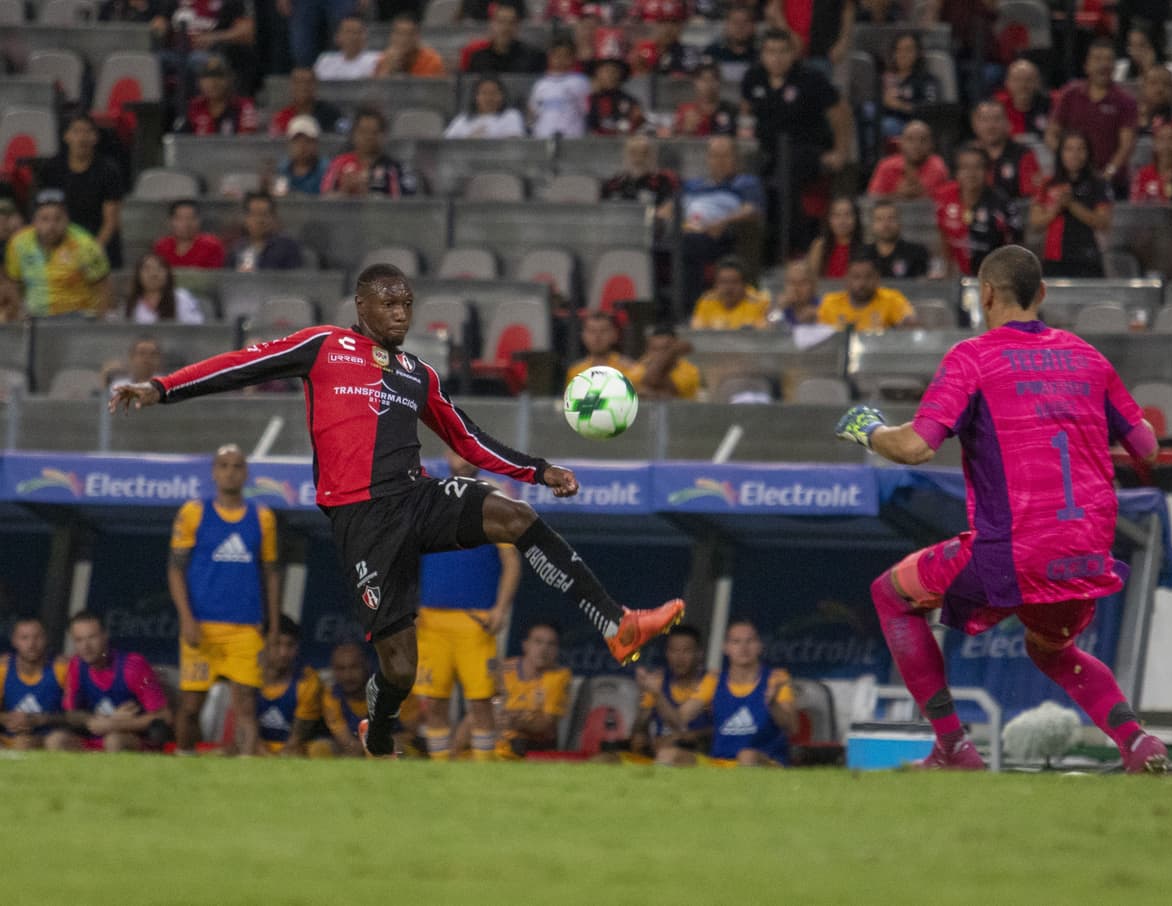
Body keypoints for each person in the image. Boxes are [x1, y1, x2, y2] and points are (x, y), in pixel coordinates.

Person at [108, 262, 686, 757]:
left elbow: (468, 442)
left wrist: (538, 470)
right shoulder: (324, 346)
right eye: (388, 303)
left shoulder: (417, 374)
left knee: (517, 518)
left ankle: (617, 622)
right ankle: (379, 727)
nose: (400, 313)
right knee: (401, 669)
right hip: (362, 521)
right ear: (359, 305)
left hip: (418, 496)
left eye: (407, 304)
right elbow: (240, 364)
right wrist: (161, 387)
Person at [832, 244, 1169, 774]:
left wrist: (866, 430)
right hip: (1086, 554)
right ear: (1042, 294)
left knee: (892, 595)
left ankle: (952, 747)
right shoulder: (1089, 357)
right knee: (1052, 650)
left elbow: (917, 446)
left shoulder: (974, 358)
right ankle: (1137, 741)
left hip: (1013, 550)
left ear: (985, 294)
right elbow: (1148, 448)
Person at [168, 443, 281, 755]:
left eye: (237, 466)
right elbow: (175, 571)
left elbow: (271, 573)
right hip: (202, 627)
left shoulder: (262, 517)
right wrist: (187, 619)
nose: (231, 472)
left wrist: (272, 629)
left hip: (246, 628)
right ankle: (183, 759)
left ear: (246, 473)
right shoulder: (193, 512)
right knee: (191, 705)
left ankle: (245, 771)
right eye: (224, 466)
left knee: (246, 702)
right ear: (214, 473)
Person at [412, 450, 521, 761]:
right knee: (433, 701)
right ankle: (439, 768)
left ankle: (483, 768)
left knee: (481, 701)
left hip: (476, 621)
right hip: (431, 621)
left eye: (467, 451)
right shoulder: (428, 497)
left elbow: (510, 560)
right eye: (455, 451)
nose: (463, 458)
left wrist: (501, 608)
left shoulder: (492, 499)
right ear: (445, 454)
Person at [740, 28, 853, 251]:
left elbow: (841, 112)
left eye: (783, 52)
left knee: (786, 173)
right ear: (762, 54)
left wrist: (840, 151)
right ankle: (762, 246)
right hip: (765, 150)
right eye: (771, 52)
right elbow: (746, 113)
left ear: (793, 54)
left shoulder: (810, 79)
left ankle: (795, 246)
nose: (777, 58)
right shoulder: (753, 77)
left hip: (808, 149)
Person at [663, 619, 797, 767]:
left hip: (767, 761)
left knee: (746, 756)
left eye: (750, 641)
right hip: (721, 763)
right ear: (725, 648)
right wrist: (657, 695)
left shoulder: (776, 678)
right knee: (667, 755)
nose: (743, 648)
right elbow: (679, 720)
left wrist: (773, 705)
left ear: (759, 646)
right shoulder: (714, 680)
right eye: (736, 642)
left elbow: (792, 727)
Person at [454, 621, 571, 759]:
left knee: (507, 739)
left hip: (531, 742)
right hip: (497, 731)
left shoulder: (559, 676)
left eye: (551, 644)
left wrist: (519, 721)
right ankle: (452, 757)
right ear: (526, 645)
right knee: (474, 717)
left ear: (557, 650)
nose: (543, 649)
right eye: (538, 642)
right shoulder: (504, 669)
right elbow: (488, 704)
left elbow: (546, 723)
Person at [62, 611, 172, 752]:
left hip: (135, 739)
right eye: (79, 640)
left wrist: (115, 725)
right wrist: (106, 719)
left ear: (105, 636)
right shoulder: (76, 665)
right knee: (58, 740)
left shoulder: (133, 666)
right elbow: (70, 715)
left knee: (114, 740)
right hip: (95, 736)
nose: (86, 646)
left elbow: (164, 716)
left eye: (92, 638)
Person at [679, 136, 765, 309]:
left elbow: (752, 210)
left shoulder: (745, 183)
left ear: (735, 159)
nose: (719, 161)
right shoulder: (693, 185)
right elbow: (671, 206)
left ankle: (691, 307)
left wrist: (722, 222)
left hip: (721, 236)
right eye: (714, 156)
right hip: (685, 231)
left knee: (688, 245)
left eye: (724, 156)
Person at [1045, 39, 1138, 198]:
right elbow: (1051, 134)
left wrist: (1107, 175)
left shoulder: (1125, 101)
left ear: (1114, 66)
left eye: (1108, 59)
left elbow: (1127, 145)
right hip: (1070, 181)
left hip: (1111, 183)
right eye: (1097, 59)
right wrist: (1070, 160)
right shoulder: (1069, 94)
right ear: (1086, 65)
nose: (1103, 64)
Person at [1, 189, 111, 321]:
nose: (51, 226)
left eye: (58, 219)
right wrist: (17, 313)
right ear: (34, 221)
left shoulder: (86, 245)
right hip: (35, 317)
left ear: (67, 219)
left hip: (78, 318)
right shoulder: (18, 244)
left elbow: (103, 288)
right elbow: (13, 283)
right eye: (44, 219)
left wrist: (99, 323)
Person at [37, 113, 125, 268]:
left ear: (95, 137)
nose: (82, 137)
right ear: (66, 136)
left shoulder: (108, 170)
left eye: (87, 132)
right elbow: (43, 212)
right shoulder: (51, 169)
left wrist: (92, 251)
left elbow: (111, 221)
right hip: (60, 239)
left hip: (98, 241)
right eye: (76, 131)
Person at [1030, 131, 1113, 278]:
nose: (1074, 154)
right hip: (1054, 259)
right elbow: (1035, 223)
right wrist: (1055, 209)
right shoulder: (1047, 184)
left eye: (1080, 149)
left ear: (1088, 153)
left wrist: (1071, 205)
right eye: (1069, 149)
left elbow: (1103, 222)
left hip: (1088, 258)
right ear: (1060, 153)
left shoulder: (1098, 184)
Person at [935, 144, 1022, 277]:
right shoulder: (944, 197)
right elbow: (943, 237)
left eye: (978, 167)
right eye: (965, 167)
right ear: (956, 172)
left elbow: (1016, 246)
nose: (971, 173)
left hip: (995, 277)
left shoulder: (1002, 203)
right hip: (958, 277)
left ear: (987, 171)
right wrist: (945, 271)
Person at [631, 625, 713, 759]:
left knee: (668, 754)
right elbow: (639, 725)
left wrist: (687, 736)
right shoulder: (658, 680)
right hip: (657, 753)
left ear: (699, 654)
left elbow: (719, 730)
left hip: (696, 756)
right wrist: (643, 695)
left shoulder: (709, 681)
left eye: (686, 651)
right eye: (674, 651)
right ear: (667, 653)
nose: (679, 658)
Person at [0, 618, 76, 751]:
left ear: (46, 639)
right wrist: (8, 718)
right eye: (24, 638)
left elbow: (75, 715)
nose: (31, 644)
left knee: (52, 741)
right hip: (10, 737)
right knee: (21, 742)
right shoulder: (3, 669)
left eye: (37, 637)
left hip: (48, 737)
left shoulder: (62, 668)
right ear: (14, 641)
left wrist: (39, 719)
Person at [256, 615, 325, 756]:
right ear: (263, 644)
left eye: (290, 645)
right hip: (256, 748)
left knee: (316, 749)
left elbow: (296, 739)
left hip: (292, 752)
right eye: (277, 645)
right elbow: (245, 730)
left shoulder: (308, 682)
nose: (283, 653)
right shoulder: (247, 677)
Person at [321, 108, 417, 198]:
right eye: (363, 132)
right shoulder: (338, 163)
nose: (368, 137)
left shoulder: (394, 168)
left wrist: (367, 195)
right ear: (354, 134)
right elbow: (324, 198)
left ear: (383, 135)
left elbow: (402, 204)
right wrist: (345, 192)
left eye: (374, 132)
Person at [817, 252, 916, 330]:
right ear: (846, 279)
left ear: (877, 278)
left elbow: (909, 323)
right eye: (856, 277)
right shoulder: (830, 302)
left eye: (868, 277)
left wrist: (908, 323)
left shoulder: (892, 299)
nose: (862, 283)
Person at [321, 642, 384, 757]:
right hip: (355, 751)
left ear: (366, 666)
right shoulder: (332, 697)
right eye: (341, 669)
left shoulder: (385, 691)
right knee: (320, 748)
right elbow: (348, 742)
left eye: (354, 667)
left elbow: (412, 731)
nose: (348, 676)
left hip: (391, 748)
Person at [971, 100, 1041, 200]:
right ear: (975, 125)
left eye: (997, 119)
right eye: (984, 120)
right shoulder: (968, 157)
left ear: (1007, 123)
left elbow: (1030, 200)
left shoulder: (1023, 155)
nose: (991, 126)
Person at [877, 32, 941, 142]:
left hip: (913, 123)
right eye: (898, 50)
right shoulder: (884, 78)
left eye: (908, 50)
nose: (903, 54)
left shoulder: (926, 80)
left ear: (918, 53)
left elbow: (931, 109)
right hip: (884, 119)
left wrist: (899, 106)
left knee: (887, 125)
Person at [866, 120, 950, 201]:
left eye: (923, 140)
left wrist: (920, 195)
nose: (916, 145)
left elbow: (944, 203)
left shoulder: (938, 168)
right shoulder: (886, 166)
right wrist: (897, 195)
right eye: (910, 139)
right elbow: (871, 201)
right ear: (900, 142)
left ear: (931, 144)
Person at [529, 36, 593, 139]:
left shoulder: (580, 82)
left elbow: (587, 111)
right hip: (543, 136)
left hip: (572, 137)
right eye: (557, 55)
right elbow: (534, 111)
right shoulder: (541, 84)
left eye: (566, 56)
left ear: (573, 58)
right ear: (550, 57)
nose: (561, 60)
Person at [177, 56, 258, 136]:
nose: (213, 82)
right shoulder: (194, 107)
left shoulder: (244, 107)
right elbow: (179, 141)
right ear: (199, 81)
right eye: (207, 75)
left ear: (230, 78)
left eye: (219, 75)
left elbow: (247, 143)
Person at [601, 134, 679, 216]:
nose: (638, 158)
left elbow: (666, 212)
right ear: (625, 155)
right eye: (633, 152)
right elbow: (601, 214)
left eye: (644, 152)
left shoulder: (662, 182)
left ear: (652, 156)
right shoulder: (613, 184)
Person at [226, 193, 305, 271]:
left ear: (273, 218)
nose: (260, 220)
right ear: (245, 219)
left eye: (264, 214)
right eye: (254, 214)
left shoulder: (288, 247)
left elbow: (295, 280)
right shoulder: (236, 248)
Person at [690, 256, 772, 330]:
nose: (728, 287)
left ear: (745, 285)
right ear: (715, 285)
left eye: (734, 282)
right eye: (723, 282)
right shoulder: (706, 301)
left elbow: (763, 334)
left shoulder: (760, 303)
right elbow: (697, 331)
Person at [624, 324, 702, 400]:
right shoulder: (637, 369)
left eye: (665, 349)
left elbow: (674, 394)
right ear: (647, 350)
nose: (659, 355)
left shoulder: (690, 371)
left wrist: (671, 353)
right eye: (655, 349)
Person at [464, 2, 547, 73]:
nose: (506, 28)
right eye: (501, 22)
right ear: (491, 25)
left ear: (517, 26)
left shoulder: (534, 57)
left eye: (511, 22)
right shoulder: (478, 59)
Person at [126, 253, 205, 324]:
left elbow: (195, 329)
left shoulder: (181, 298)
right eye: (147, 269)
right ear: (138, 275)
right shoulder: (131, 302)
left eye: (159, 268)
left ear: (168, 273)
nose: (154, 274)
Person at [861, 200, 930, 279]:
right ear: (872, 225)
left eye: (891, 218)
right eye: (879, 219)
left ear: (900, 223)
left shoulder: (917, 252)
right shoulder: (863, 254)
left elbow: (923, 286)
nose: (886, 224)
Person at [446, 76, 527, 139]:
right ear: (476, 97)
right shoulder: (463, 119)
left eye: (494, 93)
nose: (489, 98)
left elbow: (514, 142)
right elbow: (447, 144)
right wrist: (470, 140)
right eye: (484, 93)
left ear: (502, 96)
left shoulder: (511, 115)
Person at [269, 67, 343, 136]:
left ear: (315, 85)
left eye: (308, 82)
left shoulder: (331, 114)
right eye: (298, 82)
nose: (303, 87)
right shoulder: (282, 117)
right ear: (291, 86)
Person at [566, 310, 634, 382]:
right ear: (583, 335)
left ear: (615, 335)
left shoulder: (629, 368)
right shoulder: (575, 372)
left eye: (603, 331)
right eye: (592, 331)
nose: (597, 336)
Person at [674, 62, 737, 137]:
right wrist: (686, 131)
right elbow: (675, 143)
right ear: (695, 82)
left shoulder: (731, 110)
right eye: (703, 80)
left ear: (719, 82)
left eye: (713, 79)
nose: (708, 85)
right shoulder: (684, 111)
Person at [586, 56, 647, 136]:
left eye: (614, 71)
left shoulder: (630, 100)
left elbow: (638, 124)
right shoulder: (589, 99)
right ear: (597, 74)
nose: (611, 76)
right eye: (606, 71)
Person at [994, 59, 1052, 141]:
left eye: (1029, 80)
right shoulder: (997, 106)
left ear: (1038, 82)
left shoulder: (1053, 104)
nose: (1023, 85)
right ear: (1007, 83)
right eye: (1017, 80)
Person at [805, 195, 861, 280]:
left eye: (848, 215)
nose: (842, 221)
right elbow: (810, 279)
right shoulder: (819, 246)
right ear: (829, 219)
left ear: (856, 218)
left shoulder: (864, 247)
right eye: (837, 215)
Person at [375, 14, 447, 78]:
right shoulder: (385, 59)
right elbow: (376, 90)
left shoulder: (431, 60)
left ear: (417, 36)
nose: (403, 39)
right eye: (399, 33)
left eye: (409, 34)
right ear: (391, 36)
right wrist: (388, 69)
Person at [275, 115, 331, 196]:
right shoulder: (281, 169)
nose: (302, 146)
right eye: (297, 141)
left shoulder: (327, 169)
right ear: (289, 144)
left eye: (308, 141)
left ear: (316, 144)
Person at [1136, 66, 1172, 138]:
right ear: (1143, 88)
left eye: (1166, 84)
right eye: (1153, 83)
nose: (1160, 89)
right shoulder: (1128, 119)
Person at [314, 16, 380, 80]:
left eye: (358, 32)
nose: (354, 37)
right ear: (337, 37)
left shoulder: (376, 59)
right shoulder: (325, 60)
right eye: (348, 32)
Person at [773, 259, 820, 325]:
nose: (796, 288)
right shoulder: (779, 307)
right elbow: (766, 328)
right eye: (792, 283)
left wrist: (817, 315)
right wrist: (778, 309)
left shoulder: (822, 307)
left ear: (812, 285)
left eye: (802, 282)